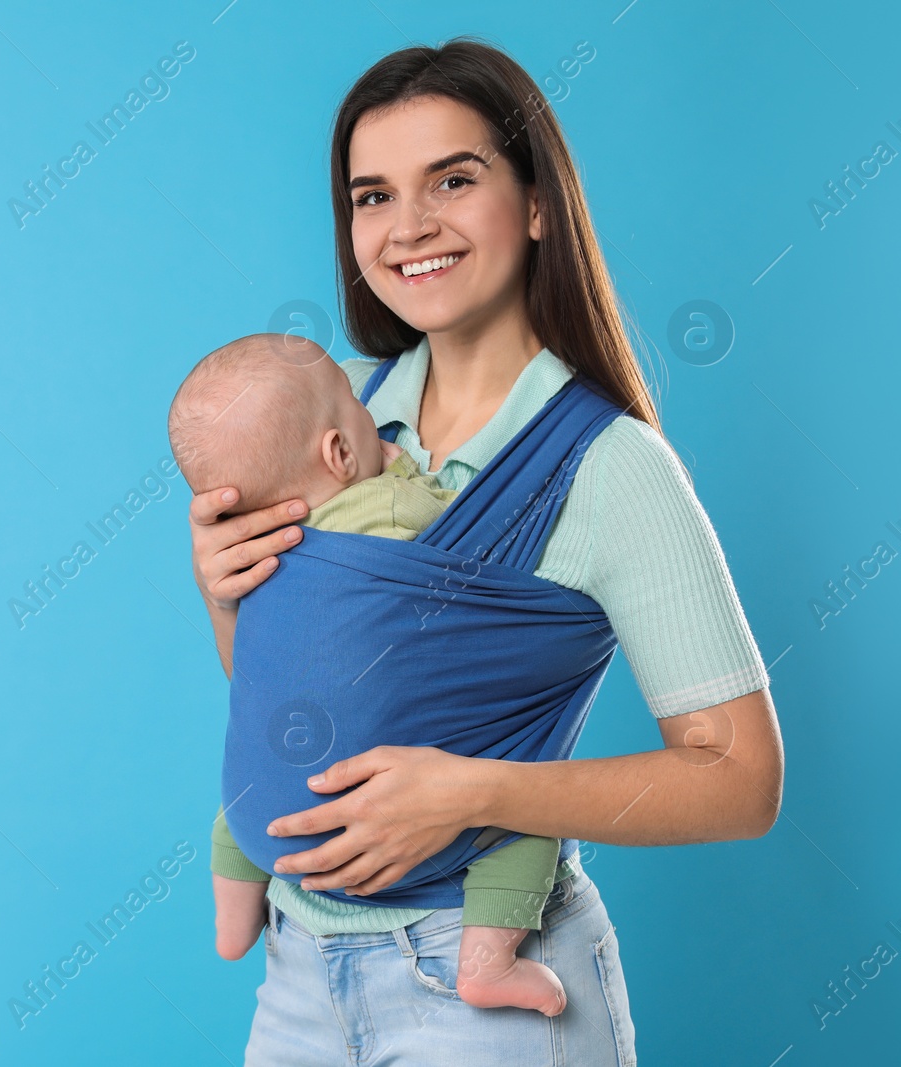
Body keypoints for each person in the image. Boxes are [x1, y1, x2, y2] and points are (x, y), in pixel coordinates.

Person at [183, 38, 784, 1066]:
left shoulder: (610, 465)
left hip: (482, 973)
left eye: (451, 180)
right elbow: (316, 704)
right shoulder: (329, 408)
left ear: (538, 201)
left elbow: (740, 779)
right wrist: (226, 593)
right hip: (299, 967)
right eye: (372, 195)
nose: (407, 226)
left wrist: (472, 790)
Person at [169, 332, 570, 1016]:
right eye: (358, 409)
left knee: (245, 791)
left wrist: (219, 599)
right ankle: (488, 961)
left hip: (276, 819)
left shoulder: (262, 555)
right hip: (397, 807)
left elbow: (266, 678)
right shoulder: (390, 505)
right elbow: (459, 534)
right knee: (527, 822)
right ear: (340, 453)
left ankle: (233, 920)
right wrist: (415, 475)